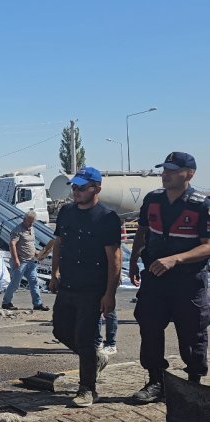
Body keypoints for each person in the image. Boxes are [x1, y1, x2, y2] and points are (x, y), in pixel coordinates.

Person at [129, 152, 210, 403]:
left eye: (172, 170)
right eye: (164, 170)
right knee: (150, 327)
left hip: (188, 281)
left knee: (192, 333)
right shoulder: (152, 200)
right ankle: (156, 381)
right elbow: (141, 233)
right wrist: (133, 261)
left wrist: (177, 259)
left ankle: (193, 383)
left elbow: (208, 246)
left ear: (189, 174)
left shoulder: (201, 204)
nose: (166, 174)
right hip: (154, 279)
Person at [49, 167, 122, 408]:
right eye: (74, 187)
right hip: (68, 284)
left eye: (82, 187)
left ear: (96, 189)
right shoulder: (66, 213)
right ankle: (95, 358)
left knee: (86, 337)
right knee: (60, 330)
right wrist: (54, 273)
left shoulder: (106, 218)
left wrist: (109, 294)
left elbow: (115, 258)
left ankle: (87, 389)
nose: (76, 192)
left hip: (93, 289)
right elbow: (59, 243)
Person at [2, 210, 49, 311]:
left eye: (33, 222)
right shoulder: (17, 230)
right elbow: (12, 244)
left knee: (34, 281)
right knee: (15, 283)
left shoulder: (31, 229)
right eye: (29, 222)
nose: (31, 224)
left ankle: (37, 304)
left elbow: (30, 245)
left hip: (31, 261)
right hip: (21, 261)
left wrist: (39, 254)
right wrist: (16, 260)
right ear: (24, 219)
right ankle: (6, 302)